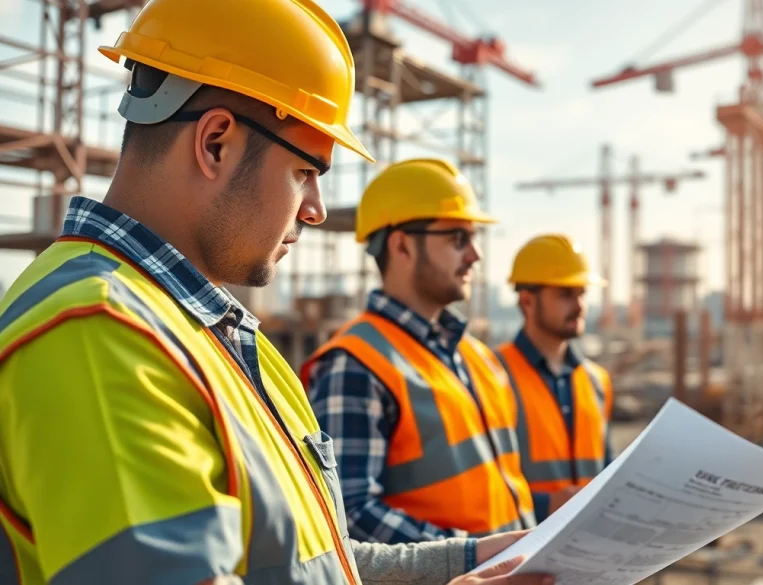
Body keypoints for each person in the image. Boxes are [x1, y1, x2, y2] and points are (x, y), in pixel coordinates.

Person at [0, 2, 546, 585]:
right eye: (305, 171)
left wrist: (480, 560)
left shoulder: (210, 335)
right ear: (215, 143)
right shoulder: (99, 334)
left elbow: (314, 565)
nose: (315, 210)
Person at [300, 158, 538, 544]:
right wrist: (472, 556)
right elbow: (349, 513)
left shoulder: (477, 357)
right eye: (458, 238)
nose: (475, 255)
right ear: (402, 245)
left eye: (474, 238)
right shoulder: (356, 363)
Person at [495, 234, 615, 522]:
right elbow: (482, 490)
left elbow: (609, 474)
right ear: (527, 301)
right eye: (565, 294)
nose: (579, 305)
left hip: (591, 550)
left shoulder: (597, 381)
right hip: (520, 549)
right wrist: (546, 504)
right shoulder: (492, 375)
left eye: (582, 293)